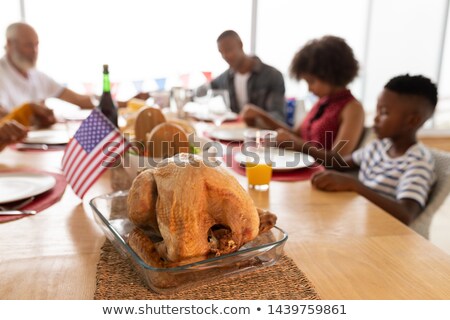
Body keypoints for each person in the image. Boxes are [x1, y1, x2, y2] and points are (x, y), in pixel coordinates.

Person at [311, 74, 438, 225]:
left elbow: (406, 214)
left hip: (384, 234)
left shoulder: (418, 162)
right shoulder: (378, 146)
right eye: (377, 111)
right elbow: (339, 163)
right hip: (359, 221)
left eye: (384, 112)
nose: (376, 119)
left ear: (412, 120)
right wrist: (299, 147)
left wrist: (354, 186)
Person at [242, 35, 364, 158]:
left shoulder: (353, 108)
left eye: (311, 81)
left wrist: (299, 145)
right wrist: (261, 115)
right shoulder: (322, 102)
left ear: (331, 75)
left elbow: (339, 158)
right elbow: (295, 135)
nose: (309, 89)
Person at [0, 22, 148, 118]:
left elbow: (80, 100)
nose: (34, 51)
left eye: (36, 45)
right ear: (9, 43)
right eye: (28, 45)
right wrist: (30, 112)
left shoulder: (37, 76)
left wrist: (127, 103)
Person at [206, 30, 286, 122]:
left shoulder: (273, 75)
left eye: (228, 50)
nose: (225, 56)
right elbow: (204, 89)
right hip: (233, 131)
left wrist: (258, 115)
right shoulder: (226, 77)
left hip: (261, 133)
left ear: (240, 45)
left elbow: (278, 116)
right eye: (221, 53)